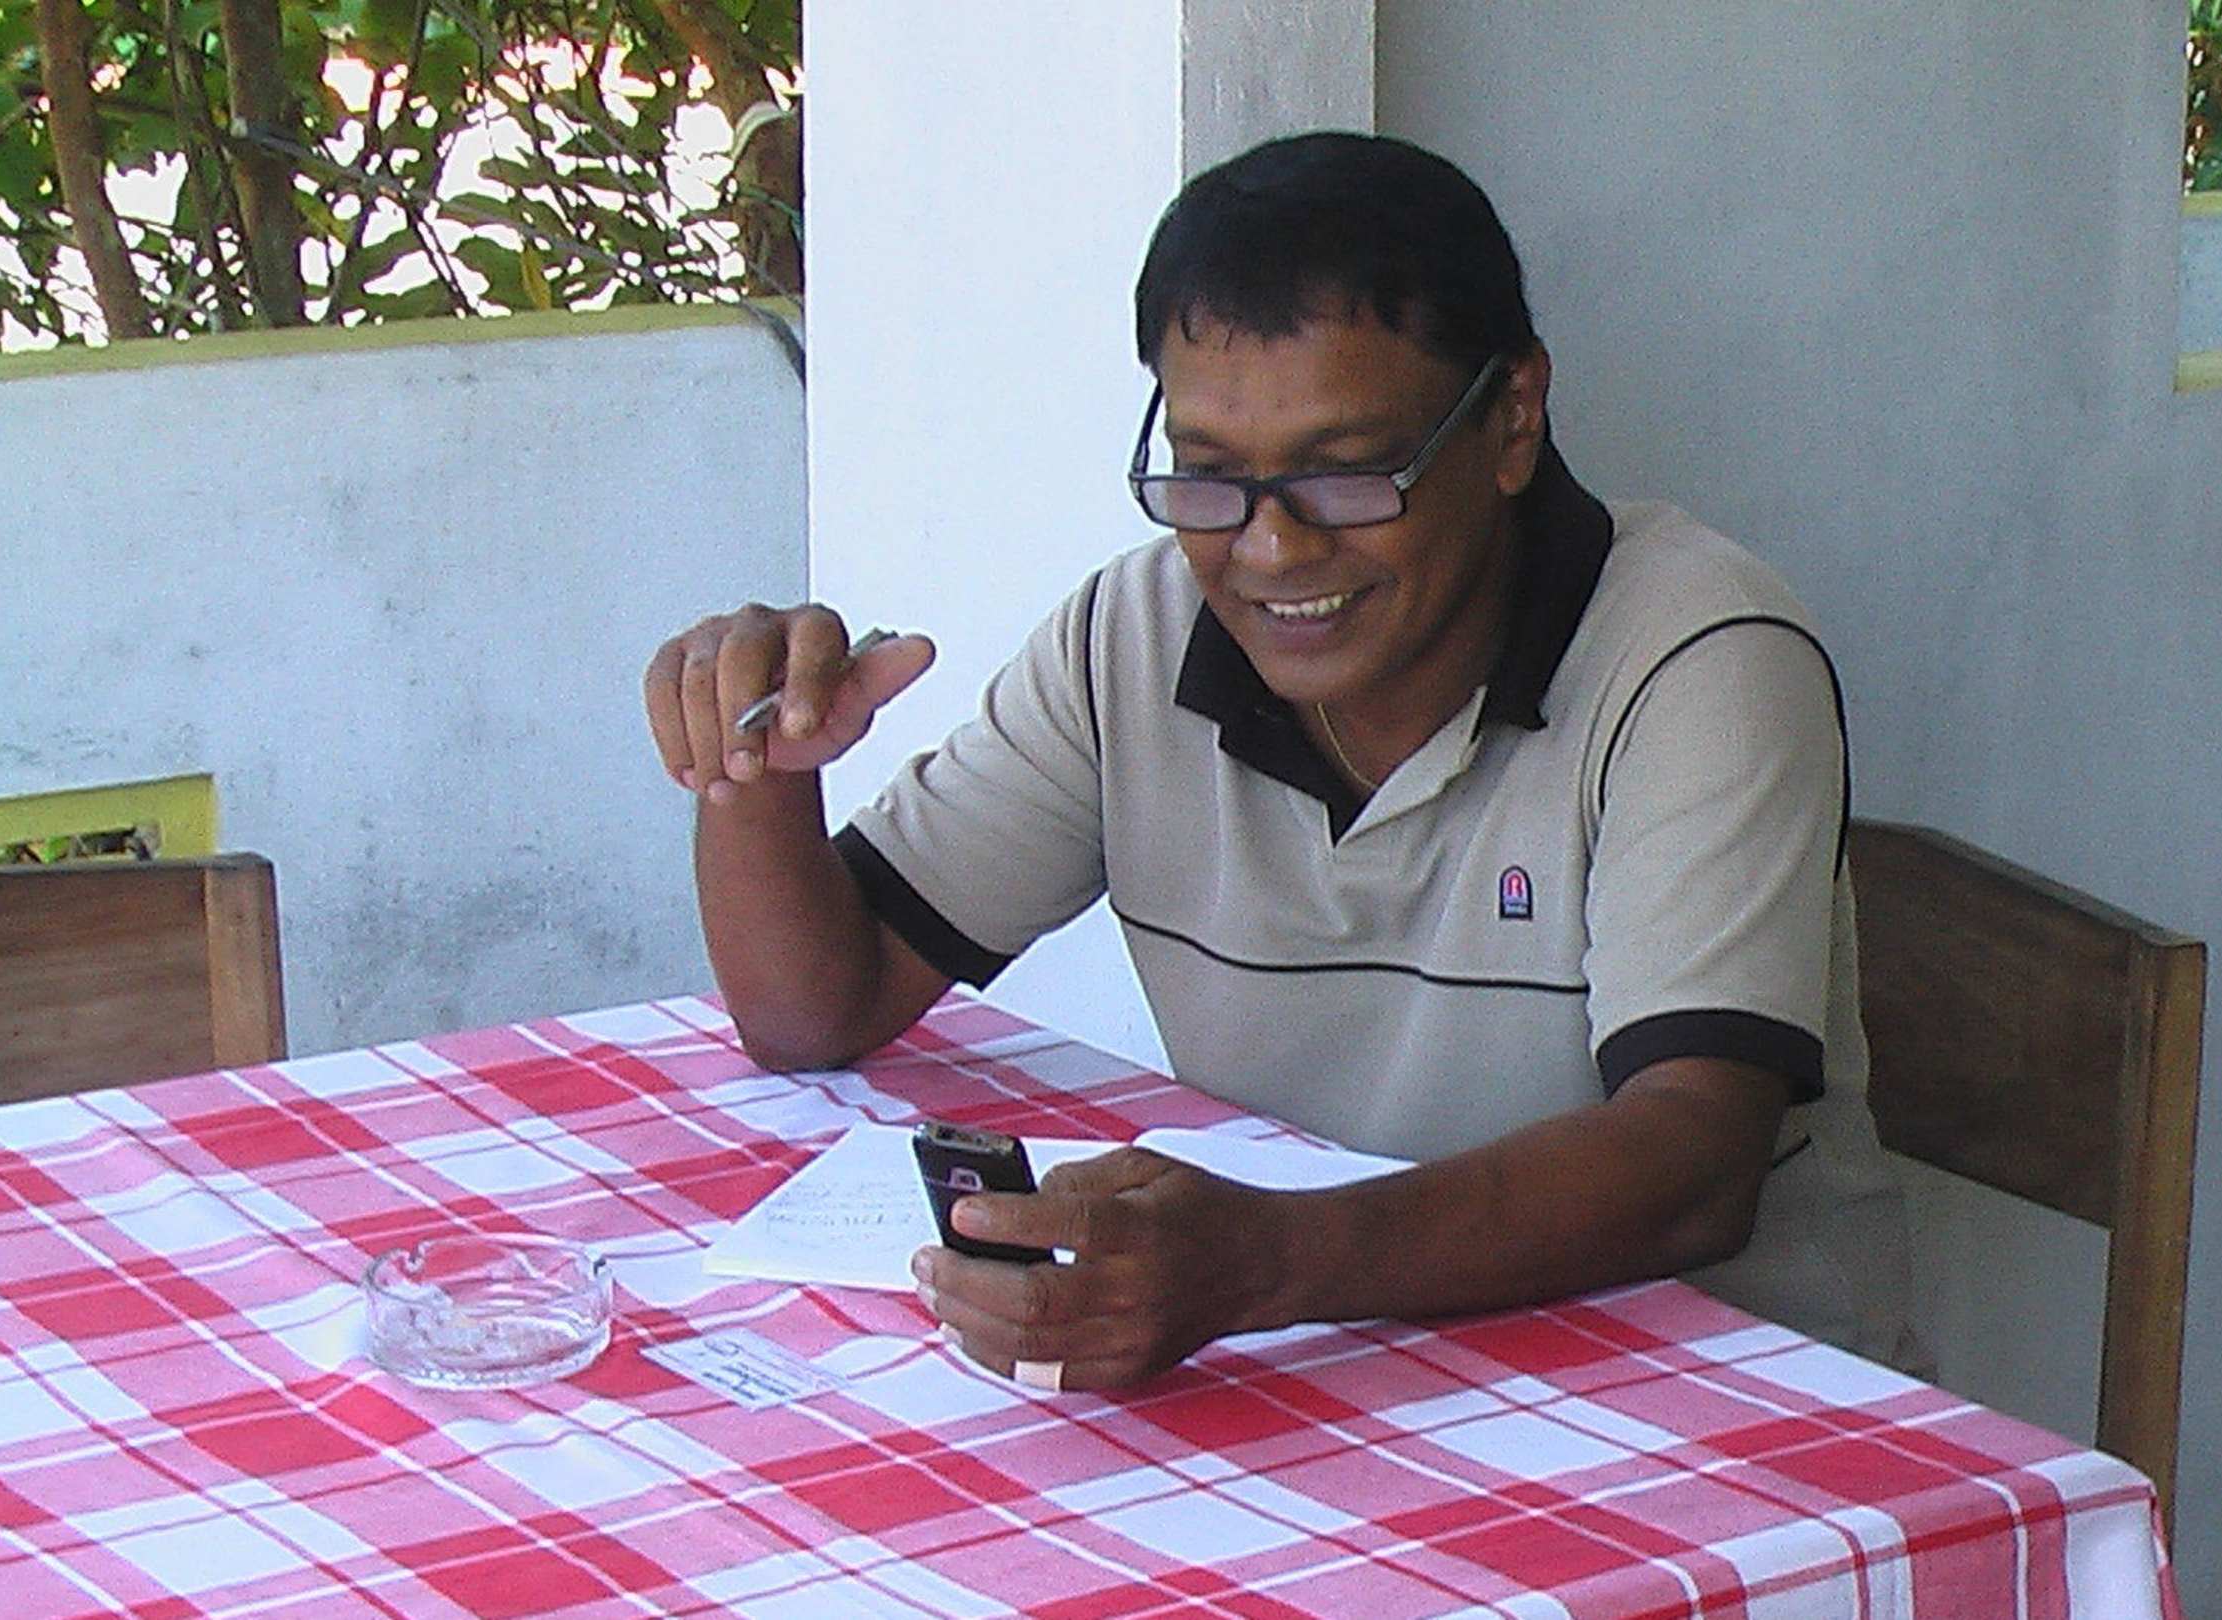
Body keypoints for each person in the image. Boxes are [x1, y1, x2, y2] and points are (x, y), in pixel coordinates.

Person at [641, 132, 1909, 1393]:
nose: (1272, 547)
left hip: (1714, 1406)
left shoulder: (1694, 654)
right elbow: (817, 1007)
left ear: (1512, 418)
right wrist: (759, 765)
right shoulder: (1132, 637)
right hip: (1336, 1365)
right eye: (1209, 477)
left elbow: (1695, 1160)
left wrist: (1262, 1263)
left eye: (1348, 474)